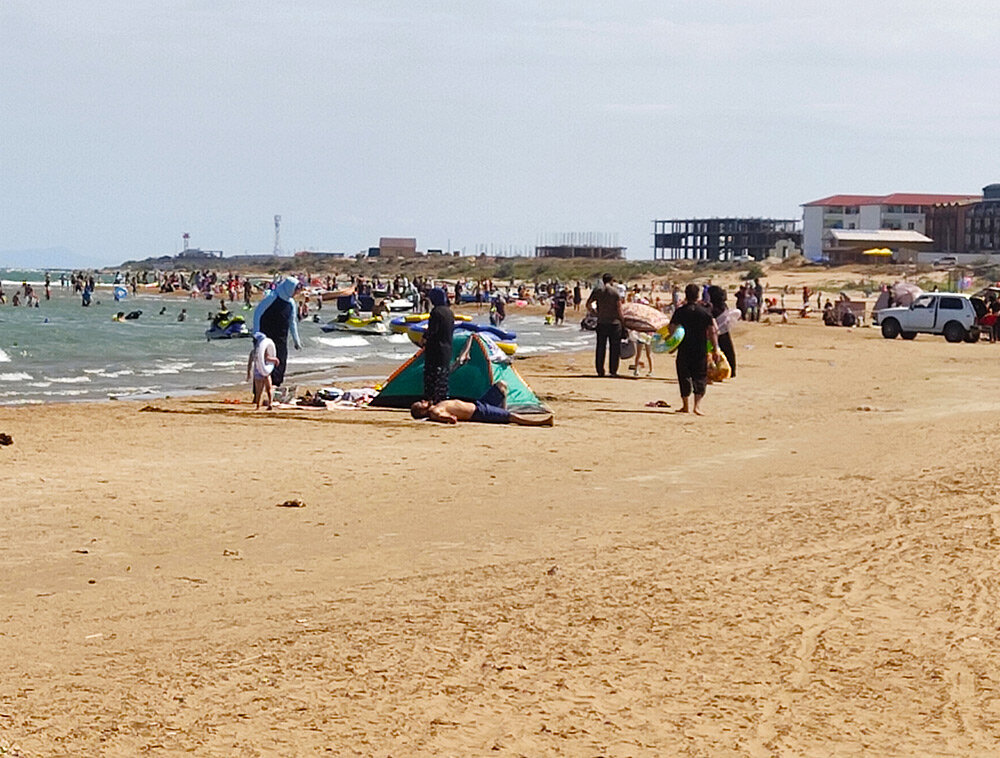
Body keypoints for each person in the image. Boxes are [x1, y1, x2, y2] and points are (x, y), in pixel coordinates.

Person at [667, 283, 721, 415]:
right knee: (700, 376)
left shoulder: (680, 311)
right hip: (700, 348)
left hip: (684, 347)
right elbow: (712, 331)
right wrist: (716, 349)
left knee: (683, 375)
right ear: (698, 295)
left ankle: (685, 405)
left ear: (686, 294)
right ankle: (697, 406)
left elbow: (671, 328)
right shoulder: (704, 312)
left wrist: (669, 343)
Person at [410, 381, 553, 426]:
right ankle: (541, 423)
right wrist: (446, 418)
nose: (424, 401)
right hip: (479, 413)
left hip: (479, 404)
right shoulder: (435, 412)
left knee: (501, 385)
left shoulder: (437, 406)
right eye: (421, 404)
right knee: (512, 416)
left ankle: (501, 411)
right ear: (422, 411)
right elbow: (451, 419)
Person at [252, 276, 302, 394]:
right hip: (266, 336)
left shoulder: (291, 303)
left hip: (281, 338)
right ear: (289, 288)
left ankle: (274, 391)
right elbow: (257, 314)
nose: (296, 293)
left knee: (280, 363)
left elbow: (292, 322)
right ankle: (258, 393)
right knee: (262, 365)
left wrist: (296, 340)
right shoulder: (272, 297)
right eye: (295, 290)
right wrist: (257, 333)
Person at [585, 273, 626, 377]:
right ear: (611, 280)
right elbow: (619, 309)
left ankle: (600, 371)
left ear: (603, 280)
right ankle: (613, 371)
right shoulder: (615, 292)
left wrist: (595, 313)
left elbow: (588, 304)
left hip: (602, 322)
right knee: (614, 348)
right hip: (614, 323)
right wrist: (623, 322)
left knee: (600, 347)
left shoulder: (598, 291)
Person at [420, 287, 454, 404]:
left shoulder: (436, 312)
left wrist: (424, 338)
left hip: (435, 350)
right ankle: (442, 402)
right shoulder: (449, 312)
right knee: (442, 379)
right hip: (447, 350)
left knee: (431, 379)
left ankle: (430, 402)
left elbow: (433, 331)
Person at [708, 285, 737, 378]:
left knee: (715, 352)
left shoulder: (712, 307)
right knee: (728, 351)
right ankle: (731, 370)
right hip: (724, 331)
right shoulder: (723, 305)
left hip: (715, 332)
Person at [246, 332, 280, 409]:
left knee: (259, 391)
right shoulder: (264, 351)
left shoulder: (253, 352)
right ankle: (270, 403)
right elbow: (268, 358)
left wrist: (249, 373)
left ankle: (258, 405)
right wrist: (276, 360)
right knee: (269, 389)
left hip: (257, 372)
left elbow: (250, 363)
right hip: (265, 372)